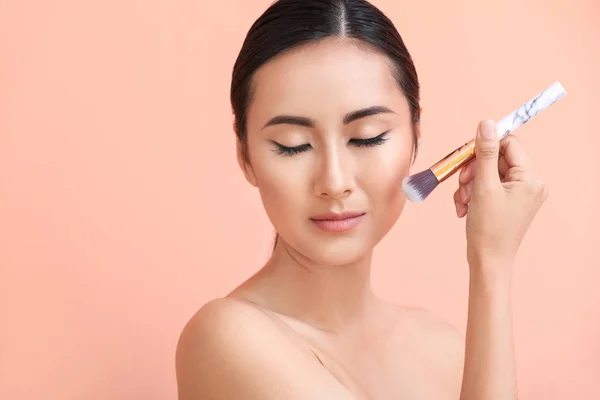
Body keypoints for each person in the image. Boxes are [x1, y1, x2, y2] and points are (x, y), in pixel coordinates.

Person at [175, 0, 549, 399]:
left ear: (415, 137)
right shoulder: (225, 338)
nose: (334, 182)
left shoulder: (445, 347)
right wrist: (491, 262)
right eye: (293, 146)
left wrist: (491, 261)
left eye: (367, 137)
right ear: (245, 156)